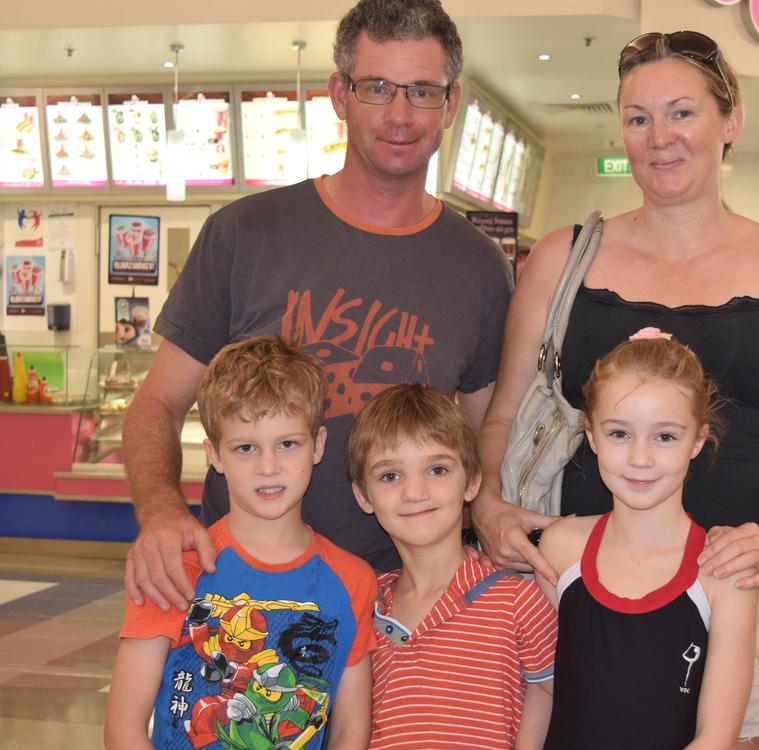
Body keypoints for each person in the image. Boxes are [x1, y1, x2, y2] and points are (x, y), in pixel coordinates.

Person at [472, 31, 759, 750]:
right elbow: (502, 414)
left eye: (681, 112)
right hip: (577, 593)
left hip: (735, 598)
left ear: (730, 120)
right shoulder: (562, 259)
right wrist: (488, 500)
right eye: (638, 117)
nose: (659, 138)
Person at [121, 0, 511, 614]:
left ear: (451, 104)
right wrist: (162, 512)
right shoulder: (244, 234)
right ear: (339, 94)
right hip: (240, 596)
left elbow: (490, 430)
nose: (401, 114)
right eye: (377, 87)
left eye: (423, 91)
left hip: (400, 607)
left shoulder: (480, 266)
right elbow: (158, 402)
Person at [104, 336, 376, 750]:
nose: (268, 466)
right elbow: (122, 730)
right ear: (215, 455)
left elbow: (349, 732)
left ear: (318, 445)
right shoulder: (175, 567)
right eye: (245, 447)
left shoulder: (353, 581)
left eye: (288, 444)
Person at [535, 332, 756, 750]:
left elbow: (717, 742)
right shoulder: (560, 549)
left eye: (665, 437)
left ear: (697, 440)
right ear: (591, 435)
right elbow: (542, 687)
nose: (639, 457)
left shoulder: (722, 574)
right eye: (619, 433)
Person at [347, 384, 557, 750]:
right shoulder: (362, 603)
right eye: (390, 476)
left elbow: (555, 696)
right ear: (363, 495)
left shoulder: (517, 601)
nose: (414, 492)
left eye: (437, 469)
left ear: (472, 482)